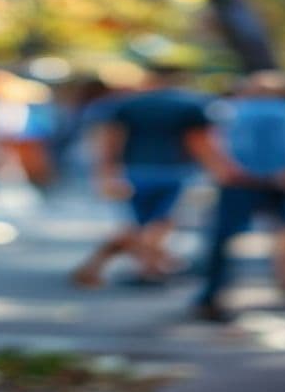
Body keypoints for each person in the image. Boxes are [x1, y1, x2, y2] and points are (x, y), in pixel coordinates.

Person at [72, 64, 231, 287]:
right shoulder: (189, 105)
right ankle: (150, 268)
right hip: (174, 171)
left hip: (134, 171)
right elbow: (198, 142)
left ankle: (141, 267)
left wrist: (106, 173)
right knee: (158, 223)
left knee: (139, 225)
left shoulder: (126, 104)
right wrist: (219, 170)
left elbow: (110, 141)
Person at [194, 71, 285, 322]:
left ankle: (212, 293)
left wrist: (227, 171)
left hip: (240, 180)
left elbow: (216, 146)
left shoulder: (228, 111)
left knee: (225, 237)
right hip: (283, 179)